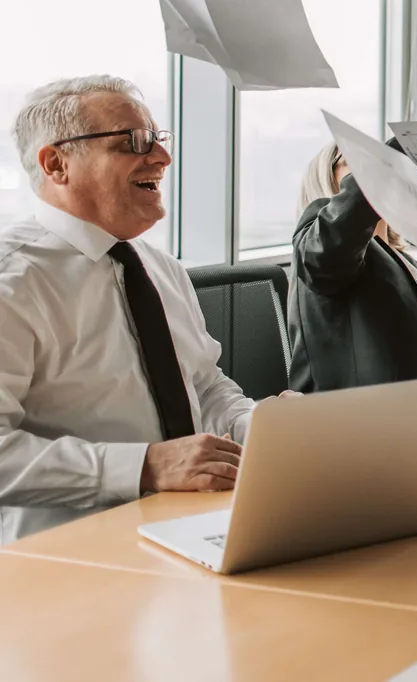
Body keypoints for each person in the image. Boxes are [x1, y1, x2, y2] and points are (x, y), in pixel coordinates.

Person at [0, 76, 255, 543]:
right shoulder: (11, 282)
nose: (161, 157)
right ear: (56, 164)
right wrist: (144, 466)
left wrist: (256, 427)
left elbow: (204, 384)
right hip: (63, 558)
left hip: (193, 529)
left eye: (157, 139)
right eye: (132, 142)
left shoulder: (160, 268)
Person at [287, 57, 417, 392]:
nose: (368, 167)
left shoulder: (406, 263)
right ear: (329, 183)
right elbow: (337, 236)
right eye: (354, 162)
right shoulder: (320, 239)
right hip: (353, 428)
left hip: (412, 419)